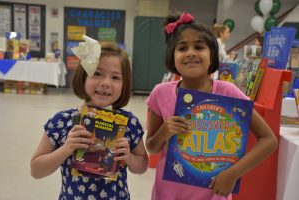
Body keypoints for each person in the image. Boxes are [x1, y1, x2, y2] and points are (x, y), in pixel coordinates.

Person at [145, 12, 277, 200]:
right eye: (182, 48)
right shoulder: (161, 93)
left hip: (214, 194)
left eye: (199, 47)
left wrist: (233, 173)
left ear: (212, 54)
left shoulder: (228, 92)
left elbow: (268, 139)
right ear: (172, 56)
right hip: (168, 193)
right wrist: (163, 132)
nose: (191, 53)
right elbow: (151, 147)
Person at [30, 39, 149, 199]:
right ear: (83, 77)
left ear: (124, 84)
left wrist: (129, 157)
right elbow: (36, 170)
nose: (106, 83)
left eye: (115, 77)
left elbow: (142, 166)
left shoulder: (129, 123)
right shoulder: (62, 121)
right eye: (97, 73)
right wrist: (66, 149)